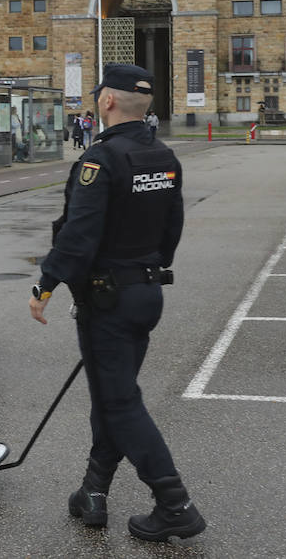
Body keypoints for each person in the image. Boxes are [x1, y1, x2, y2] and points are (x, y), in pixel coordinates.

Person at [29, 63, 204, 544]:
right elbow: (173, 228)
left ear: (106, 101)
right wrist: (147, 268)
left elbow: (78, 235)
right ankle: (93, 492)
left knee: (120, 403)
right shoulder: (164, 155)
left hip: (109, 299)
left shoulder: (100, 161)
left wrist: (45, 284)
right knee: (113, 396)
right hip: (146, 292)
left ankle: (175, 504)